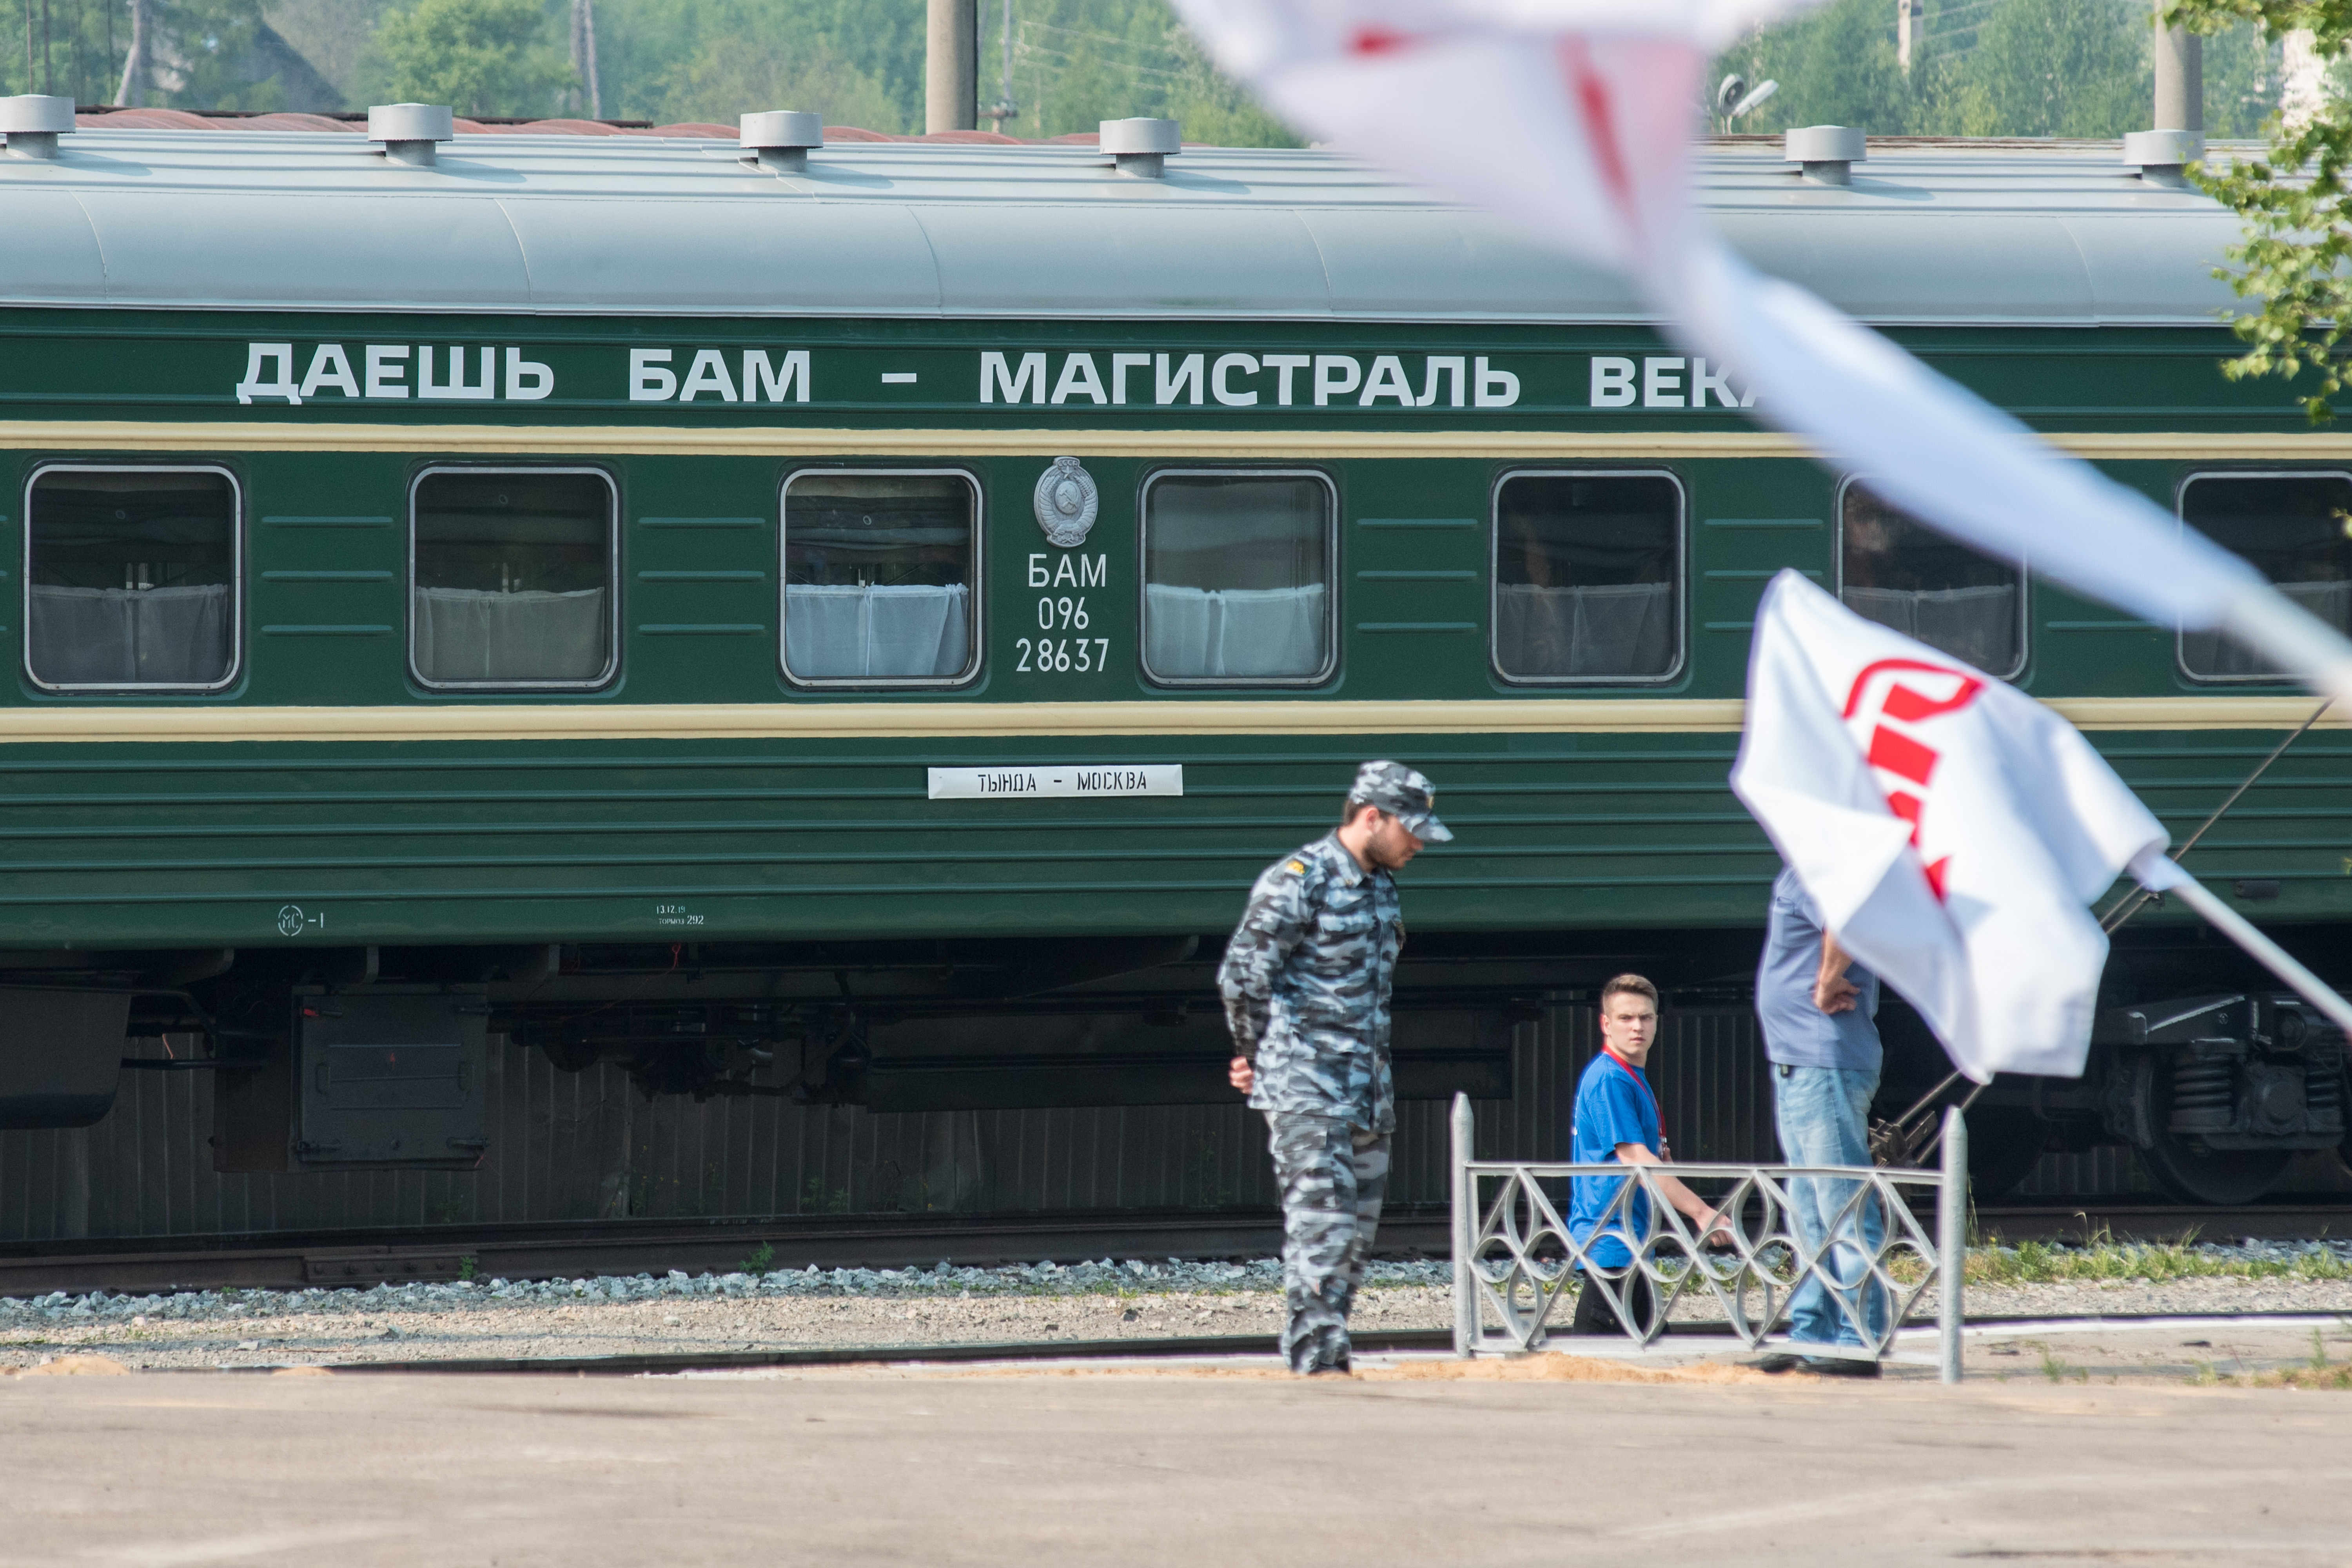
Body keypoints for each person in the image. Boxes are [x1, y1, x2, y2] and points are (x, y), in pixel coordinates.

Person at [1221, 760, 1451, 1375]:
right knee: (1321, 1237)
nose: (1420, 843)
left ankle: (1329, 1354)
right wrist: (1254, 1052)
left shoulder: (1379, 885)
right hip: (1309, 1091)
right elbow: (1243, 977)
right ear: (1372, 816)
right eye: (1413, 829)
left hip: (1368, 1097)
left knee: (1353, 1245)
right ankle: (1320, 1368)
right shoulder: (1301, 879)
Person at [1753, 863, 1889, 1377]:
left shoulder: (1825, 865)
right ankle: (1814, 1335)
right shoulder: (1807, 864)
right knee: (1809, 1211)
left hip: (1822, 1062)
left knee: (1840, 1205)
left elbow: (1848, 921)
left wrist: (1829, 978)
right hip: (1801, 1062)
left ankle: (1857, 1339)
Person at [1563, 974, 1727, 1338]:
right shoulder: (1611, 1079)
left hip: (1629, 1242)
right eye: (1625, 1018)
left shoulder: (1628, 1074)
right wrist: (1701, 1212)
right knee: (1597, 1369)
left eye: (1646, 1017)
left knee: (1637, 1356)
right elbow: (1636, 1157)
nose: (1637, 1026)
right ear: (1605, 1024)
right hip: (1613, 1242)